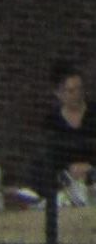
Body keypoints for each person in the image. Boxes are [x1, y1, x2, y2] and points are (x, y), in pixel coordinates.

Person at [44, 62, 95, 202]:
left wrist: (90, 166)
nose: (76, 95)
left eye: (79, 89)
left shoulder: (93, 114)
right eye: (71, 91)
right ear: (58, 94)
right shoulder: (52, 121)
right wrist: (68, 168)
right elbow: (50, 156)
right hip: (67, 182)